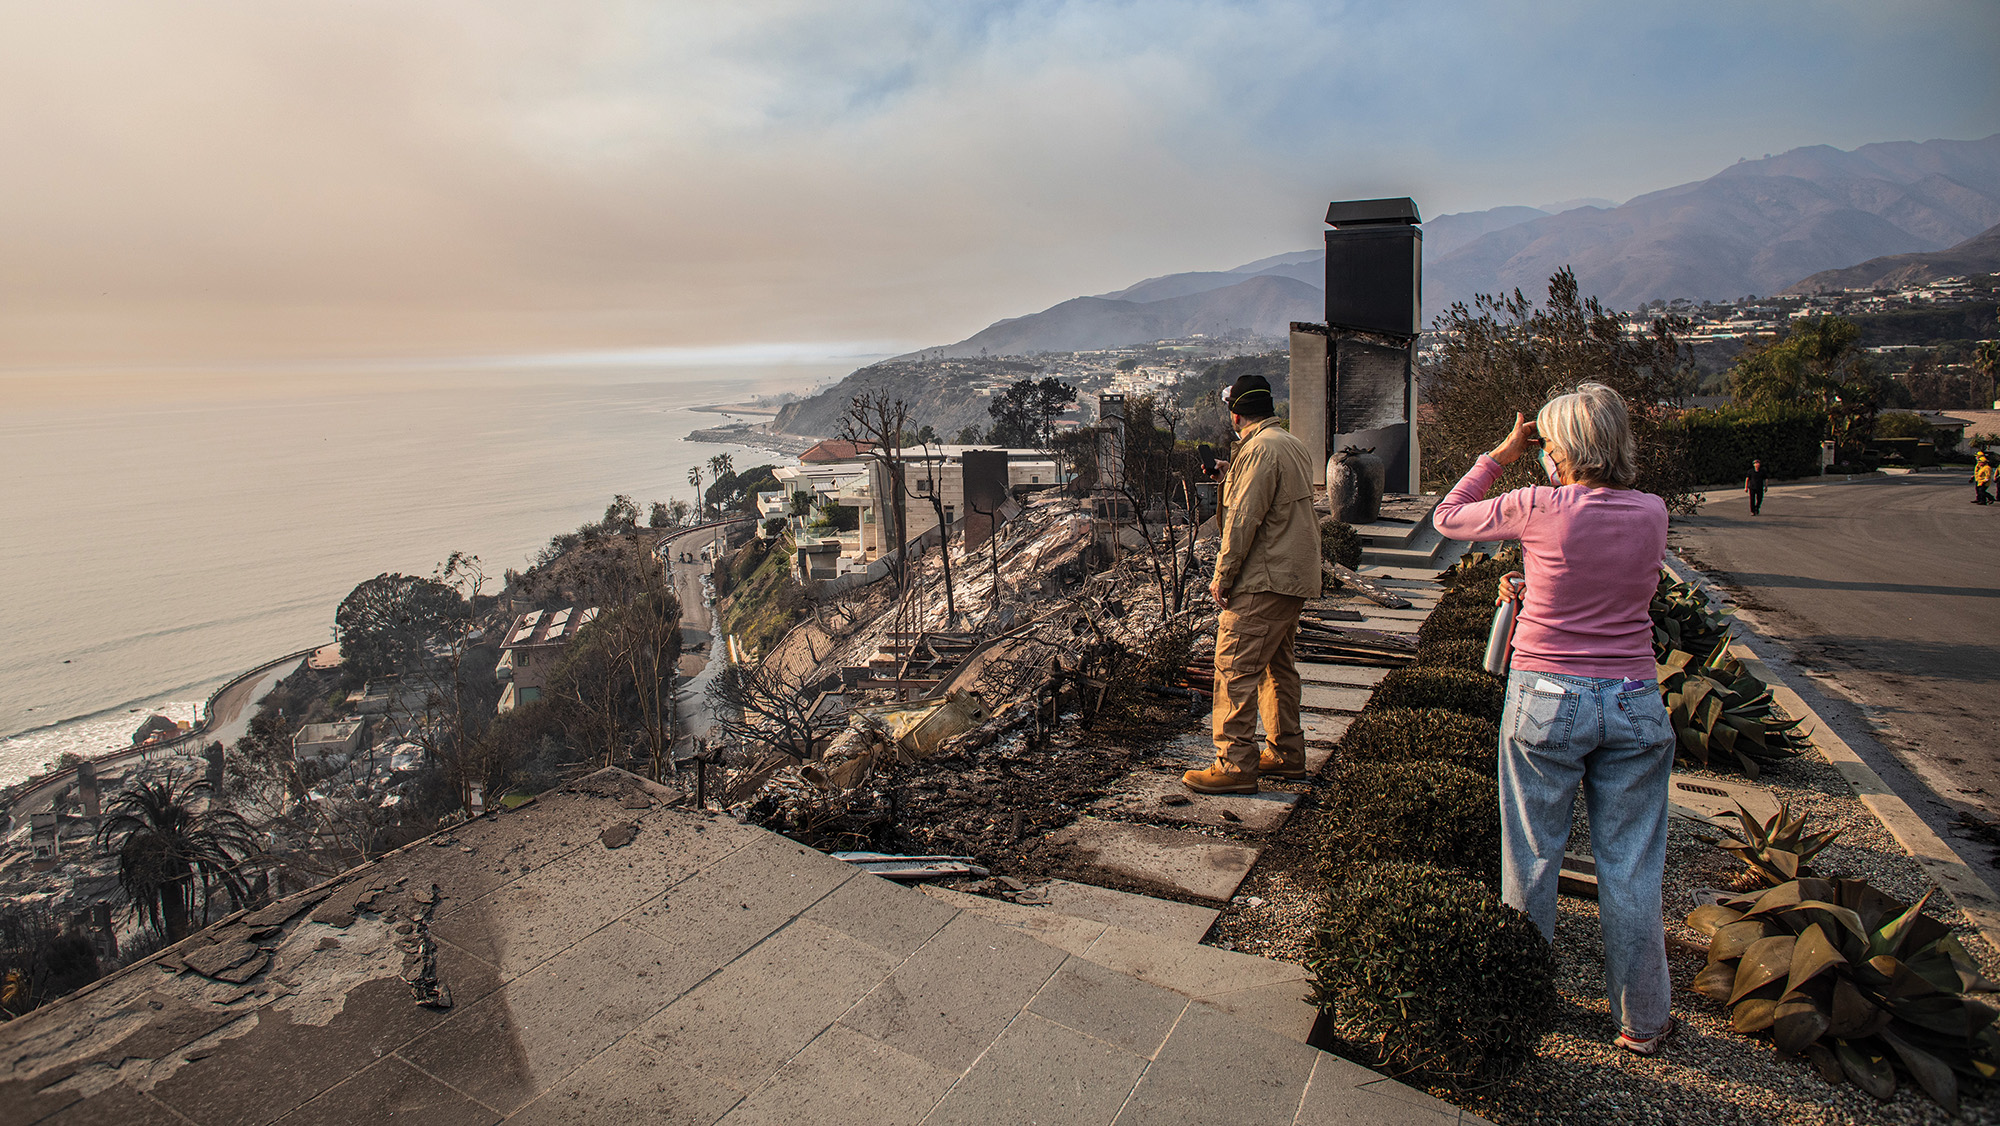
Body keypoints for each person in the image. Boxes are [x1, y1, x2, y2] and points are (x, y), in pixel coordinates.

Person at [1431, 383, 1676, 1055]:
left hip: (1547, 697)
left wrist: (1504, 453)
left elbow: (1448, 518)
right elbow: (1611, 585)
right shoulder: (1653, 512)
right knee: (1630, 868)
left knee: (1532, 858)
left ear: (1558, 449)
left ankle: (1524, 1003)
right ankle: (1643, 1020)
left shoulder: (1540, 505)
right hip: (1633, 698)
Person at [1184, 373, 1320, 795]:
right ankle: (1285, 754)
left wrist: (1222, 575)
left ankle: (1235, 765)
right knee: (1277, 668)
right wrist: (1229, 471)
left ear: (1235, 413)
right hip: (1291, 577)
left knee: (1234, 668)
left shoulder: (1257, 451)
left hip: (1264, 576)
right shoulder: (1287, 443)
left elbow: (1244, 518)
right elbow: (1271, 496)